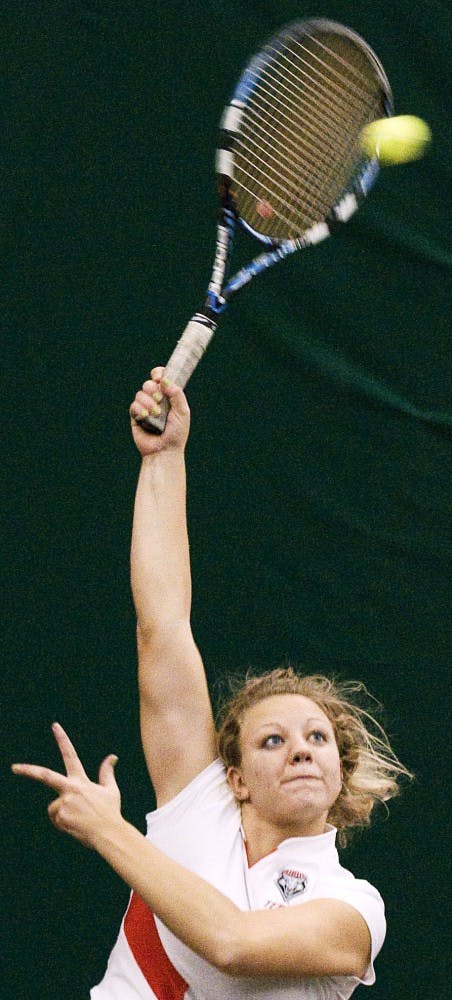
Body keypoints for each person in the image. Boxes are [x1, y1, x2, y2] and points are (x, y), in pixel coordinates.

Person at [12, 369, 412, 1000]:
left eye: (317, 737)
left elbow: (231, 945)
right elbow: (163, 625)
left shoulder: (355, 908)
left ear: (340, 768)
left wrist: (108, 829)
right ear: (235, 777)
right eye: (272, 741)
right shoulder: (198, 801)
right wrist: (165, 459)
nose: (302, 748)